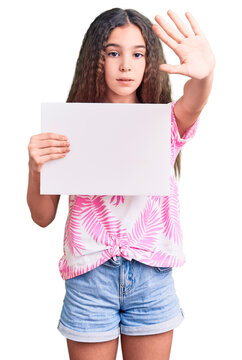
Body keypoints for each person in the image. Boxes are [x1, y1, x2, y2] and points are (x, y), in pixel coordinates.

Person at [27, 7, 215, 360]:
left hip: (151, 277)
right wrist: (35, 169)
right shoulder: (69, 124)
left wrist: (205, 76)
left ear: (149, 60)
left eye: (137, 53)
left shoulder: (166, 122)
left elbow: (195, 101)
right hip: (89, 278)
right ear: (95, 58)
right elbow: (42, 216)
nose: (126, 65)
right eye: (113, 52)